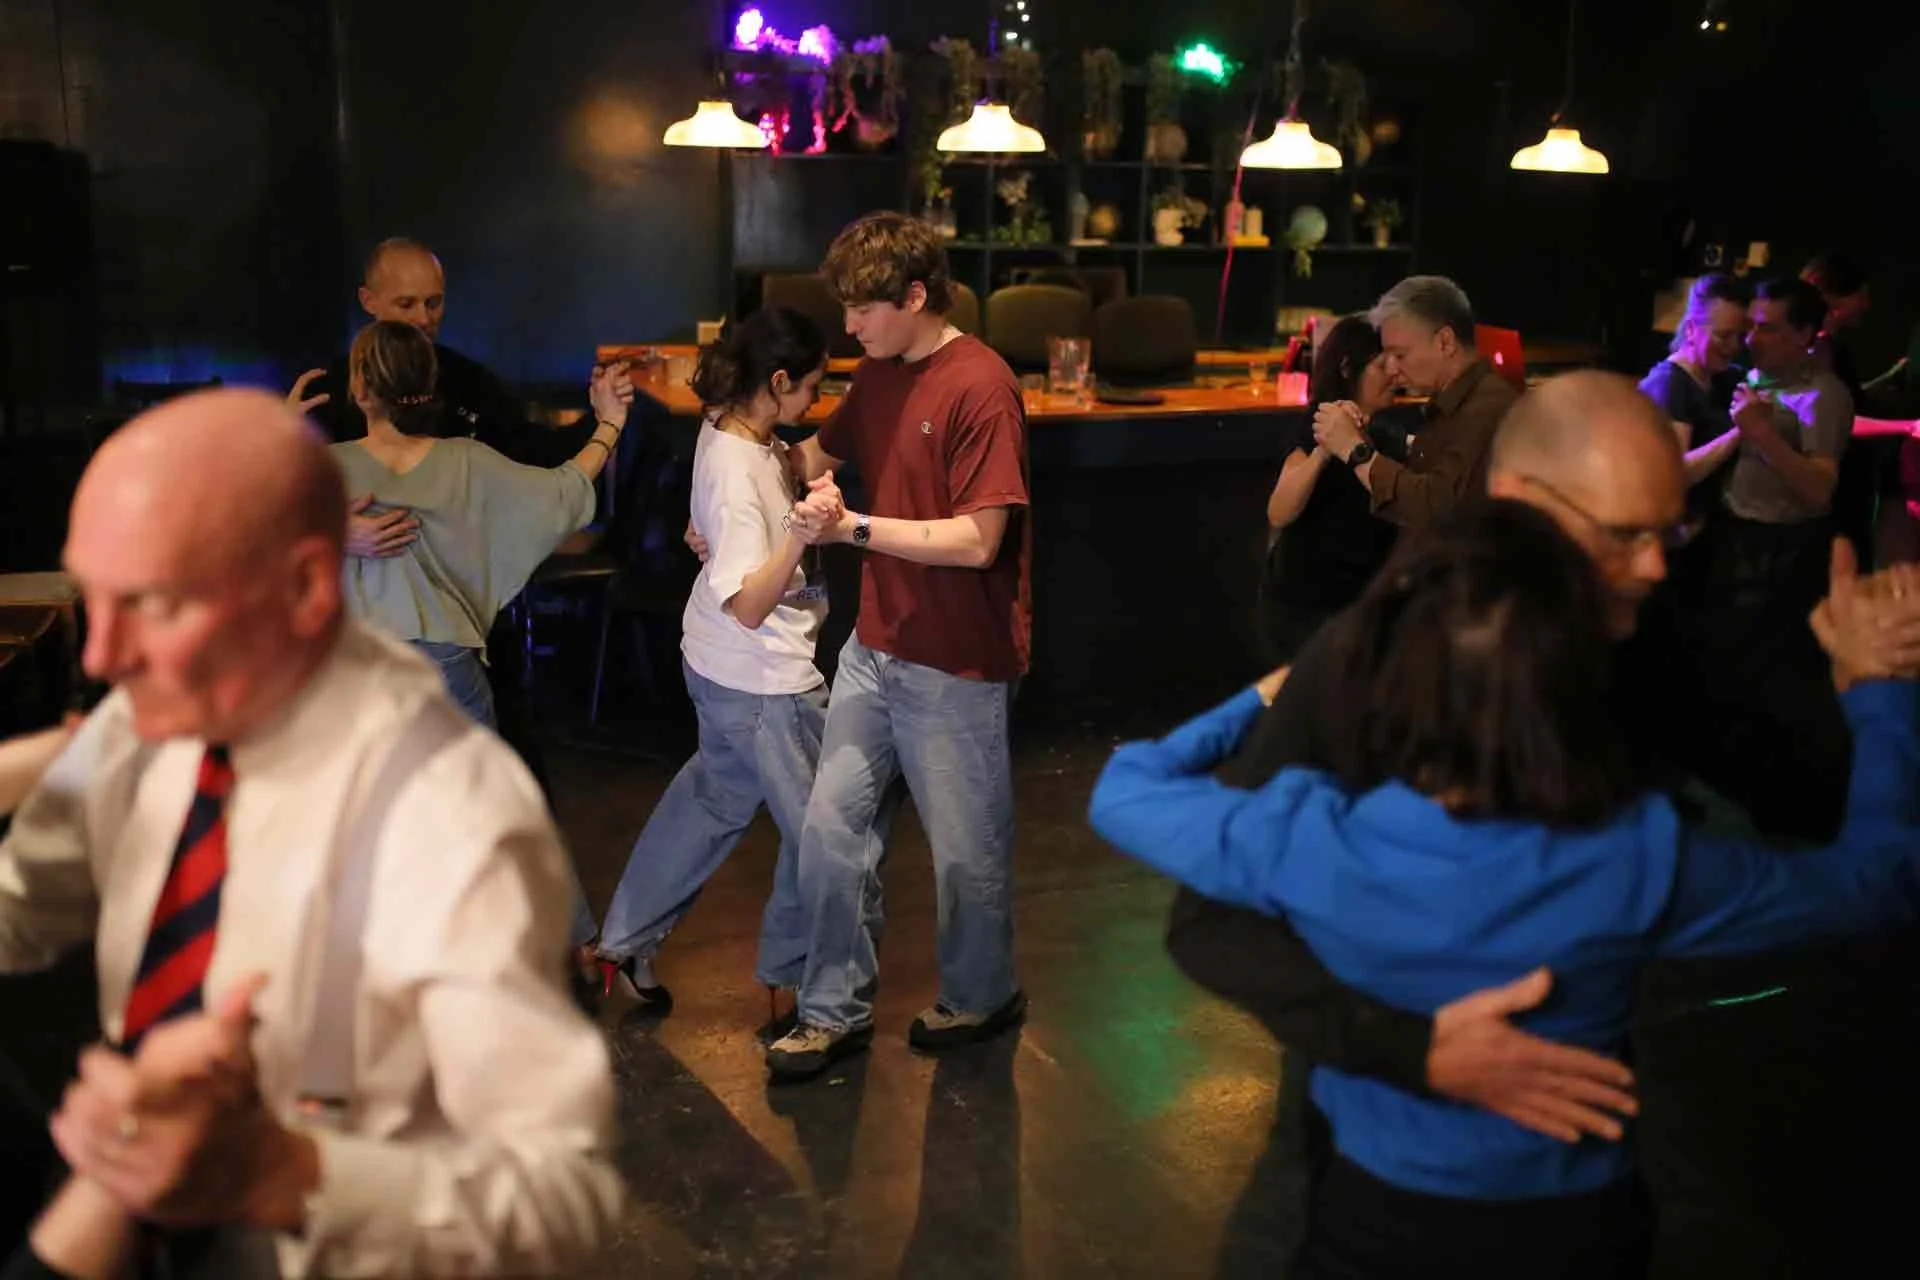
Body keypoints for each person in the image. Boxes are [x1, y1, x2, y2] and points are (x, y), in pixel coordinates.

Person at [1092, 500, 1920, 1279]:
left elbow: (1124, 791)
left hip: (1376, 1221)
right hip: (1572, 1226)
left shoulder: (1313, 839)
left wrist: (1256, 699)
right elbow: (1878, 880)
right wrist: (1876, 695)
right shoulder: (1636, 859)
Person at [0, 389, 620, 1275]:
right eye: (90, 599)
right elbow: (15, 913)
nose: (102, 658)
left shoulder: (450, 819)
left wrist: (284, 1171)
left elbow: (563, 1199)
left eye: (151, 604)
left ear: (299, 588)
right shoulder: (144, 721)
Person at [709, 212, 1032, 1081]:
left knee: (968, 855)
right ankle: (831, 1011)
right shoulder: (881, 374)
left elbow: (980, 541)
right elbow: (814, 453)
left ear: (917, 297)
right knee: (830, 834)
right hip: (874, 647)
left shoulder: (980, 386)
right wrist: (739, 512)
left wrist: (852, 528)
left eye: (864, 310)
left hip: (957, 659)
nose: (849, 328)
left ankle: (984, 994)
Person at [591, 308, 832, 1019]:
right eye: (811, 388)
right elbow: (750, 603)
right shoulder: (735, 467)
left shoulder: (736, 429)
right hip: (761, 679)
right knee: (824, 833)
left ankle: (624, 942)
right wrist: (804, 531)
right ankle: (795, 985)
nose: (815, 404)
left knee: (714, 802)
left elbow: (752, 534)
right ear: (779, 380)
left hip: (723, 670)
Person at [329, 319, 629, 728]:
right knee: (471, 785)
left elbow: (251, 526)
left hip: (359, 665)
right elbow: (564, 490)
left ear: (360, 389)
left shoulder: (322, 467)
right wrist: (610, 422)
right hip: (446, 660)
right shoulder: (467, 460)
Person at [1308, 275, 1517, 531]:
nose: (1392, 368)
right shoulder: (1448, 403)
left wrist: (1355, 450)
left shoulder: (1488, 407)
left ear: (1445, 342)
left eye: (1400, 354)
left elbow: (1436, 507)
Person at [1259, 315, 1408, 663]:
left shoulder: (1388, 431)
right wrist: (1326, 450)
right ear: (1346, 368)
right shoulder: (1317, 424)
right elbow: (1279, 512)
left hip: (1364, 605)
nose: (1394, 374)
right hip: (1307, 608)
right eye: (1381, 363)